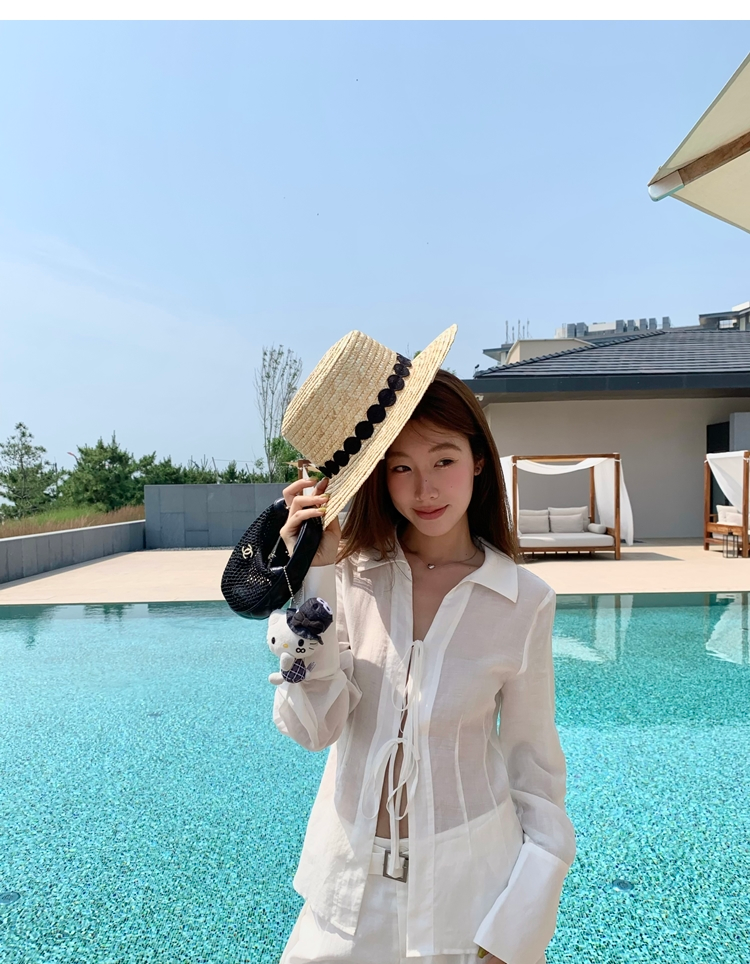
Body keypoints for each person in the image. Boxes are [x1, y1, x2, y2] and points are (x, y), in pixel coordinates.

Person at [269, 325, 576, 964]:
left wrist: (516, 930)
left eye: (443, 460)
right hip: (345, 896)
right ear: (380, 477)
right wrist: (313, 576)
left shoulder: (523, 601)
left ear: (478, 460)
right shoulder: (350, 578)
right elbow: (311, 729)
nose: (425, 489)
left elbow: (536, 774)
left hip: (470, 905)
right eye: (401, 467)